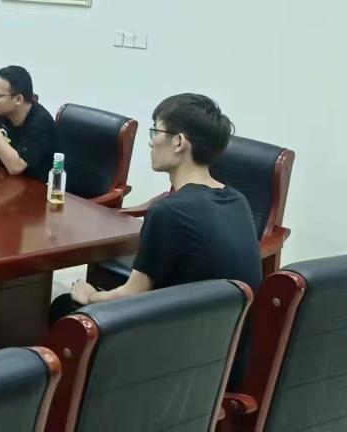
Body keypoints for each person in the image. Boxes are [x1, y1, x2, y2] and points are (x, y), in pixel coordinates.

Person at [51, 94, 261, 386]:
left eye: (156, 132)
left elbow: (132, 294)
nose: (151, 143)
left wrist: (90, 296)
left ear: (179, 142)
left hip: (171, 362)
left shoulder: (169, 211)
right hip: (227, 359)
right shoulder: (237, 200)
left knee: (65, 307)